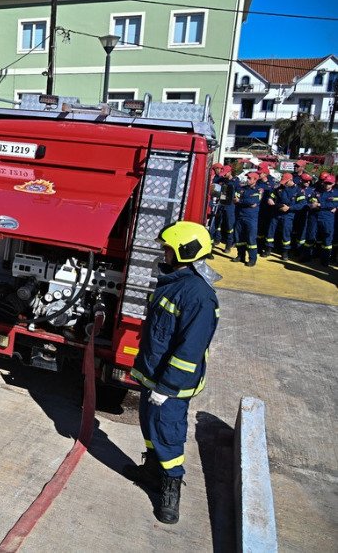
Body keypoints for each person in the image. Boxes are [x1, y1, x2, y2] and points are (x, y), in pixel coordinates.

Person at [125, 221, 219, 525]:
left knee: (168, 433)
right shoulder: (175, 282)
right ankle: (152, 471)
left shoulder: (198, 296)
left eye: (168, 249)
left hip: (171, 385)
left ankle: (170, 489)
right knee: (150, 427)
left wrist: (167, 387)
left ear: (183, 252)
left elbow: (189, 351)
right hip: (154, 375)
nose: (163, 253)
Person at [264, 173, 306, 259]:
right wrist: (269, 199)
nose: (284, 184)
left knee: (286, 233)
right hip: (276, 212)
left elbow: (302, 204)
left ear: (291, 180)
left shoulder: (298, 190)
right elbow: (271, 196)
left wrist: (289, 208)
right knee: (270, 231)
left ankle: (285, 252)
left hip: (288, 215)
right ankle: (268, 249)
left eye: (286, 182)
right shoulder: (279, 188)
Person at [299, 174, 337, 266]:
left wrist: (320, 204)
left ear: (333, 184)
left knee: (327, 238)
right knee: (310, 236)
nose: (327, 185)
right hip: (314, 216)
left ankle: (325, 260)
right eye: (325, 182)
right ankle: (306, 256)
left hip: (327, 218)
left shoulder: (336, 193)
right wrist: (313, 203)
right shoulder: (316, 191)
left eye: (329, 183)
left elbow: (333, 204)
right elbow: (311, 200)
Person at [233, 172, 263, 267]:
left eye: (250, 178)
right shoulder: (242, 189)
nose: (248, 180)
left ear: (255, 180)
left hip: (251, 218)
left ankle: (252, 259)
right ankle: (240, 256)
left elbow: (253, 201)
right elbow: (235, 198)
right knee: (239, 238)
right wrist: (243, 202)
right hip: (240, 216)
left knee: (251, 240)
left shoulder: (259, 190)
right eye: (248, 178)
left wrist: (241, 201)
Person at [210, 164, 238, 253]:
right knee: (216, 223)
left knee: (229, 225)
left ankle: (228, 245)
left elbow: (240, 193)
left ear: (230, 172)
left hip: (230, 206)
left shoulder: (236, 181)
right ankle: (215, 240)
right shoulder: (221, 179)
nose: (224, 175)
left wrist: (237, 198)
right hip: (220, 204)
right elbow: (214, 187)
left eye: (225, 173)